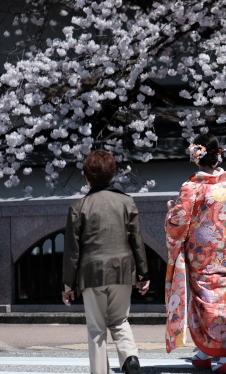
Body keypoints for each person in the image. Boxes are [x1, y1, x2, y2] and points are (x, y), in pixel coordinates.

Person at [165, 134, 226, 374]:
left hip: (201, 257)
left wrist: (171, 212)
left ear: (196, 157)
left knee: (204, 304)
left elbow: (179, 221)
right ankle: (205, 352)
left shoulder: (192, 187)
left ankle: (223, 356)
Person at [62, 151, 150, 374]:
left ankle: (100, 371)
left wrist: (68, 285)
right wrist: (143, 274)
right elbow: (137, 241)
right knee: (120, 320)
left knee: (97, 328)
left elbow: (73, 251)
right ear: (113, 175)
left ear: (86, 177)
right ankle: (130, 356)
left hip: (91, 273)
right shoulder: (126, 202)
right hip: (123, 270)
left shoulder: (78, 207)